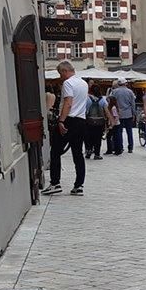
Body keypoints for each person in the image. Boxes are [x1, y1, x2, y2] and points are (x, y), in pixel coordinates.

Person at [43, 60, 87, 195]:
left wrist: (61, 121)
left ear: (64, 71)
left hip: (69, 120)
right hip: (81, 120)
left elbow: (68, 102)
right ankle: (79, 185)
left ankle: (55, 183)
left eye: (60, 74)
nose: (60, 77)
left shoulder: (68, 83)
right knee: (78, 153)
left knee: (55, 151)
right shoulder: (83, 83)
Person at [109, 79, 137, 153]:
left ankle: (120, 146)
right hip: (128, 113)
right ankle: (130, 147)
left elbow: (110, 101)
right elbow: (133, 104)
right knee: (129, 131)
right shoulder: (130, 92)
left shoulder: (114, 91)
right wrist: (134, 113)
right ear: (125, 83)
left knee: (119, 131)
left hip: (118, 113)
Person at [84, 87, 107, 160]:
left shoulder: (87, 99)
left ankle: (88, 151)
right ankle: (97, 154)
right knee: (98, 138)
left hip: (89, 121)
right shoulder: (102, 100)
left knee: (89, 137)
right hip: (99, 122)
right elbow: (106, 110)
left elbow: (84, 109)